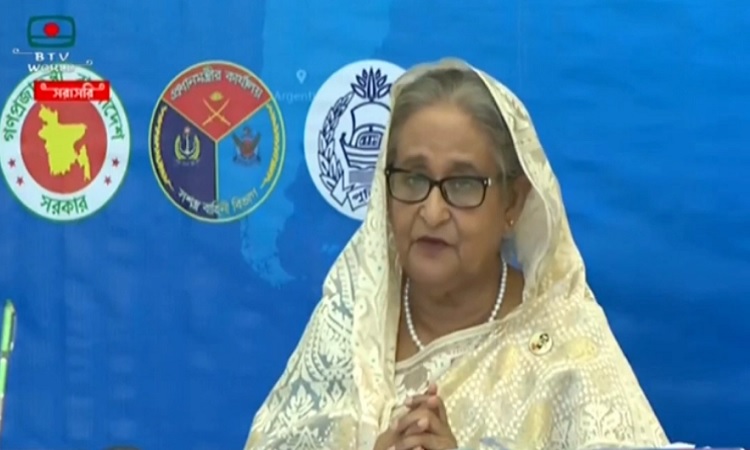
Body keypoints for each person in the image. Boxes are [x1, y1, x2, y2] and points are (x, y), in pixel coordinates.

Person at [244, 59, 669, 450]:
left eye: (463, 184)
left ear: (512, 202)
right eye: (413, 179)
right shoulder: (349, 324)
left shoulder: (568, 347)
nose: (431, 212)